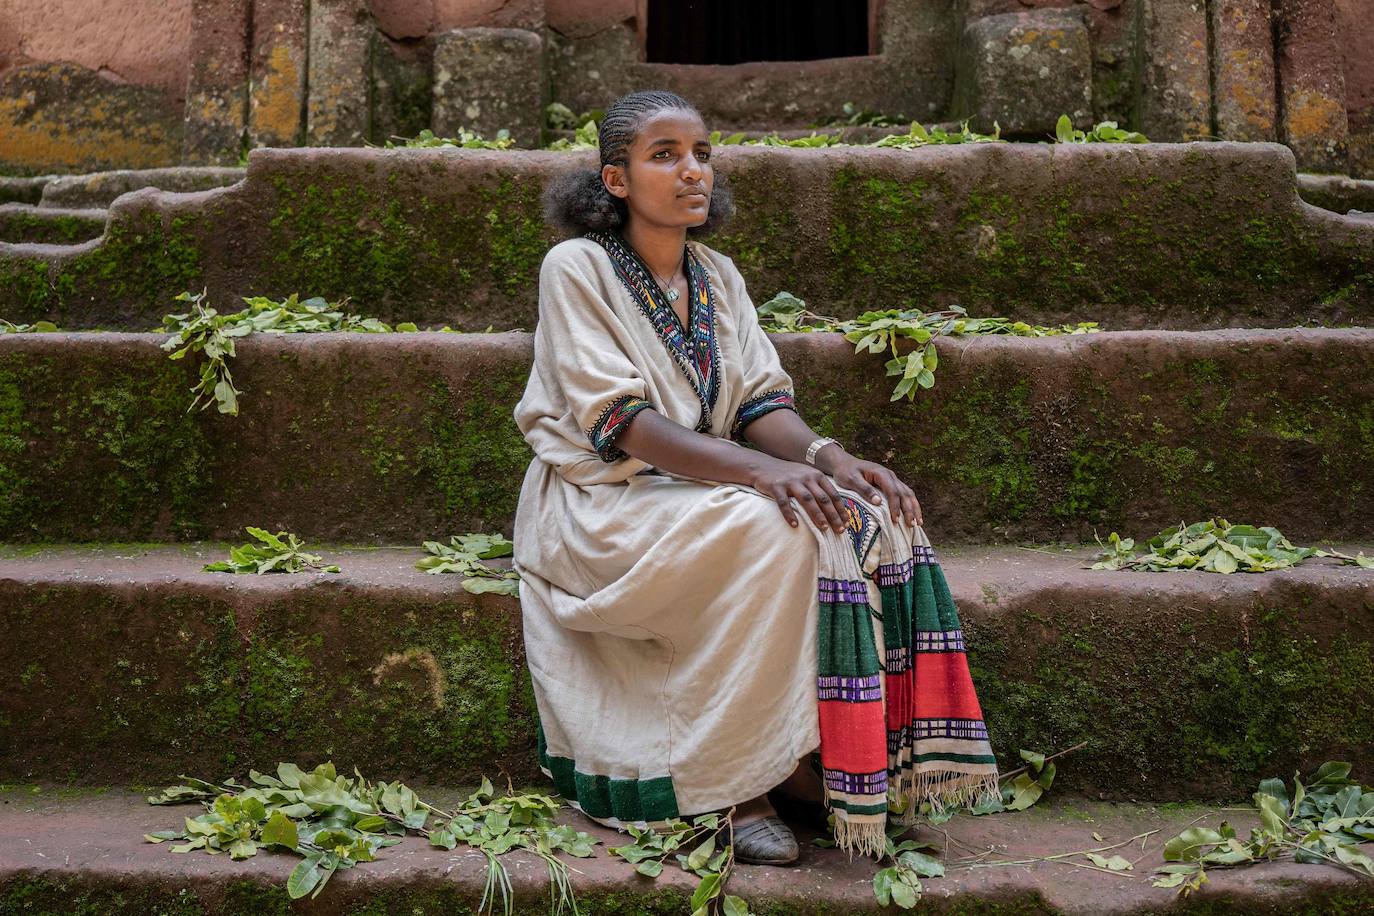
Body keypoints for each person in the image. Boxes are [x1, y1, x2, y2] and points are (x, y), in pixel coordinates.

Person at [512, 90, 999, 866]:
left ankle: (796, 752)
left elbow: (761, 403)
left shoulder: (717, 274)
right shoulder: (576, 268)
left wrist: (829, 460)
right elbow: (622, 425)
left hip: (696, 488)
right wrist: (761, 475)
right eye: (664, 155)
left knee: (855, 513)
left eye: (701, 153)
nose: (692, 170)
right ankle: (731, 785)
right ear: (614, 180)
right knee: (769, 527)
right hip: (599, 504)